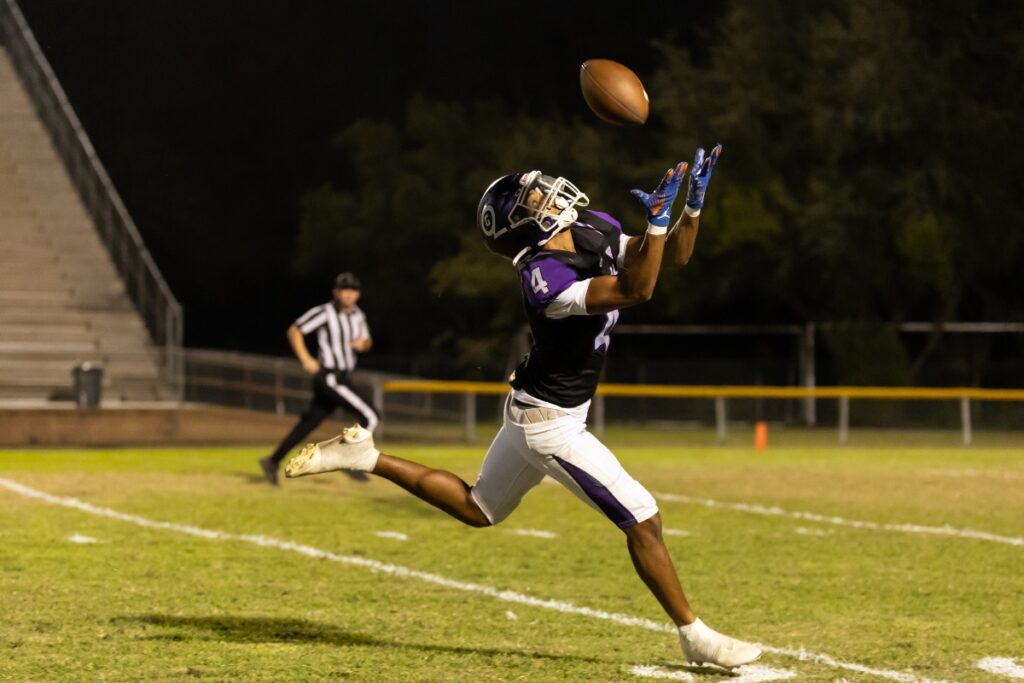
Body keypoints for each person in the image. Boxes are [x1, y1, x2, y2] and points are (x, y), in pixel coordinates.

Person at [284, 147, 762, 669]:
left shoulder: (592, 226)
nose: (548, 192)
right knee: (643, 520)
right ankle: (693, 634)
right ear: (522, 226)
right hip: (550, 425)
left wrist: (689, 211)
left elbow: (670, 258)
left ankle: (366, 457)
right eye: (534, 196)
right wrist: (658, 221)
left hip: (534, 403)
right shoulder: (543, 277)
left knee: (479, 507)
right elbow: (637, 289)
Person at [258, 272, 379, 486]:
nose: (348, 294)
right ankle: (348, 461)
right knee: (371, 415)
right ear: (336, 292)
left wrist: (364, 344)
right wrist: (306, 359)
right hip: (330, 377)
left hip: (345, 377)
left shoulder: (358, 315)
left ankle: (272, 460)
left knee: (309, 423)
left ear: (358, 294)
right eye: (344, 290)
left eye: (352, 290)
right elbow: (295, 330)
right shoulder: (325, 312)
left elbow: (367, 340)